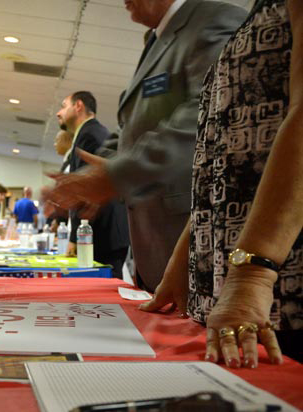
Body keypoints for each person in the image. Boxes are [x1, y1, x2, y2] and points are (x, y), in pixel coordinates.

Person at [141, 0, 303, 367]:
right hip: (238, 288)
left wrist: (252, 276)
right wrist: (184, 259)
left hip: (278, 292)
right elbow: (229, 163)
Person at [45, 0, 246, 291]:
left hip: (197, 245)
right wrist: (92, 175)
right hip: (155, 246)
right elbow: (131, 127)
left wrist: (116, 175)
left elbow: (206, 116)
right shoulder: (156, 39)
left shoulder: (213, 20)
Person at [54, 91, 130, 278]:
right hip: (101, 233)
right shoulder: (88, 134)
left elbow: (88, 189)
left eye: (63, 106)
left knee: (104, 299)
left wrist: (75, 238)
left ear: (78, 106)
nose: (58, 112)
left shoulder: (91, 135)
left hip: (103, 234)